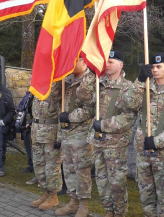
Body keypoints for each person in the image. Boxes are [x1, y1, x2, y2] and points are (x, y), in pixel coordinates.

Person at [123, 52, 164, 217]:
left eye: (159, 66)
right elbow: (130, 104)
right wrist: (138, 81)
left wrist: (157, 141)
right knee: (146, 197)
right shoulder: (144, 86)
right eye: (153, 67)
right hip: (142, 153)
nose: (155, 70)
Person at [80, 50, 136, 217]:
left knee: (117, 183)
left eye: (111, 61)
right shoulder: (98, 83)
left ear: (121, 65)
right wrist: (90, 75)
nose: (108, 64)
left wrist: (103, 124)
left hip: (116, 144)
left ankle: (119, 213)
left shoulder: (128, 87)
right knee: (102, 180)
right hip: (98, 142)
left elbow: (128, 117)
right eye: (107, 61)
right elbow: (84, 98)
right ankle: (108, 211)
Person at [54, 58, 95, 217]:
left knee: (81, 169)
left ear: (84, 61)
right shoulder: (68, 79)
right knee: (68, 168)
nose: (69, 63)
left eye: (74, 59)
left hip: (81, 132)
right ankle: (73, 202)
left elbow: (91, 109)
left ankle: (84, 205)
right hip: (66, 132)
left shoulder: (90, 80)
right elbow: (57, 100)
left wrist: (69, 117)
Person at [30, 82, 62, 211]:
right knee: (38, 165)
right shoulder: (38, 88)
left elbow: (61, 114)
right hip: (36, 132)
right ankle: (45, 193)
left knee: (52, 167)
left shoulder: (57, 89)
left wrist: (59, 137)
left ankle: (53, 196)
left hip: (50, 133)